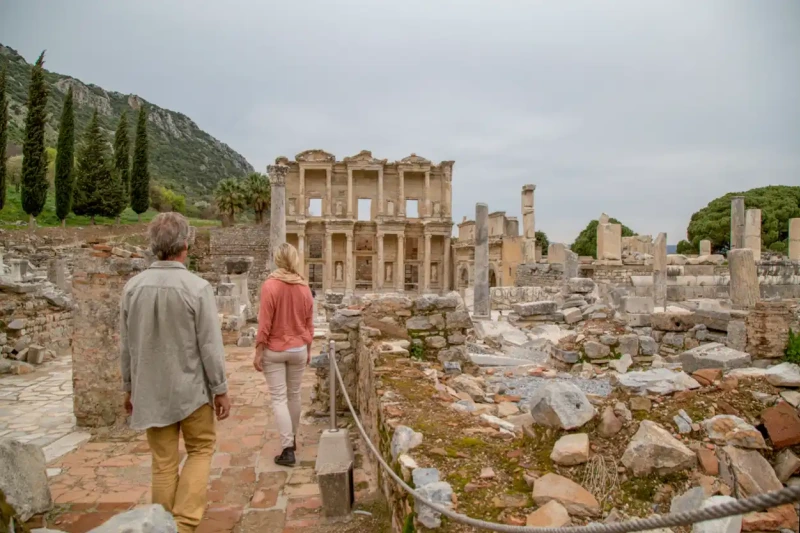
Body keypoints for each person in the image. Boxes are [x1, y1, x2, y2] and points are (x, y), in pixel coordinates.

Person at [120, 212, 230, 533]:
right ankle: (184, 524)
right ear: (185, 244)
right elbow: (210, 346)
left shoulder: (132, 289)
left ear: (153, 245)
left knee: (163, 463)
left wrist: (129, 388)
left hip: (151, 391)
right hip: (192, 391)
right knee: (200, 450)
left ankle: (163, 526)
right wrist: (220, 389)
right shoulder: (197, 288)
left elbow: (126, 346)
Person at [253, 243, 314, 467]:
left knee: (279, 397)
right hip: (298, 348)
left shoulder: (270, 285)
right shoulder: (304, 286)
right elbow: (309, 323)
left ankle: (287, 448)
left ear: (277, 259)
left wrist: (259, 350)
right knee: (294, 395)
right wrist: (308, 349)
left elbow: (264, 322)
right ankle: (293, 438)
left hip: (275, 349)